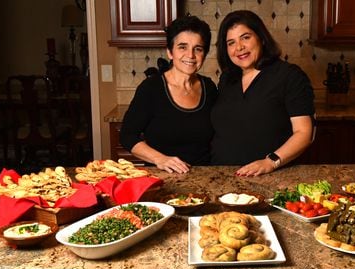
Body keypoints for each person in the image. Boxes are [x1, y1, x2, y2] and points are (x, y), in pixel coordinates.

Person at [211, 10, 315, 176]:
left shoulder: (289, 76)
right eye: (231, 42)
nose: (239, 47)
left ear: (261, 38)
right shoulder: (227, 78)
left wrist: (270, 162)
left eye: (245, 37)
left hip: (270, 176)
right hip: (222, 175)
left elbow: (303, 133)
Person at [120, 16, 217, 173]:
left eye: (198, 49)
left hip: (205, 176)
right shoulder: (151, 88)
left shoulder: (209, 87)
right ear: (170, 52)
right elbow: (128, 136)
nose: (190, 55)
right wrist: (161, 159)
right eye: (182, 47)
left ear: (204, 55)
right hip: (163, 177)